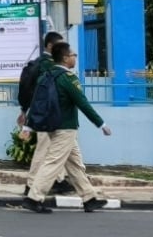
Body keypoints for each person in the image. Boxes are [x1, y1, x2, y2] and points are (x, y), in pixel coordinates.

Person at [20, 41, 111, 214]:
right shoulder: (68, 78)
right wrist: (101, 124)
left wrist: (28, 127)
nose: (74, 57)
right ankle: (34, 197)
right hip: (66, 129)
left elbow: (36, 103)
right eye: (73, 55)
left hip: (53, 127)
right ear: (65, 58)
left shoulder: (46, 76)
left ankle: (89, 198)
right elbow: (82, 103)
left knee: (75, 164)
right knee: (53, 162)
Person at [17, 30, 74, 196]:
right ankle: (31, 185)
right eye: (59, 45)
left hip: (48, 113)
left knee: (58, 149)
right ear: (50, 46)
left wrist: (25, 111)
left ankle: (60, 181)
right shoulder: (47, 65)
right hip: (46, 113)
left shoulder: (41, 63)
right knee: (43, 149)